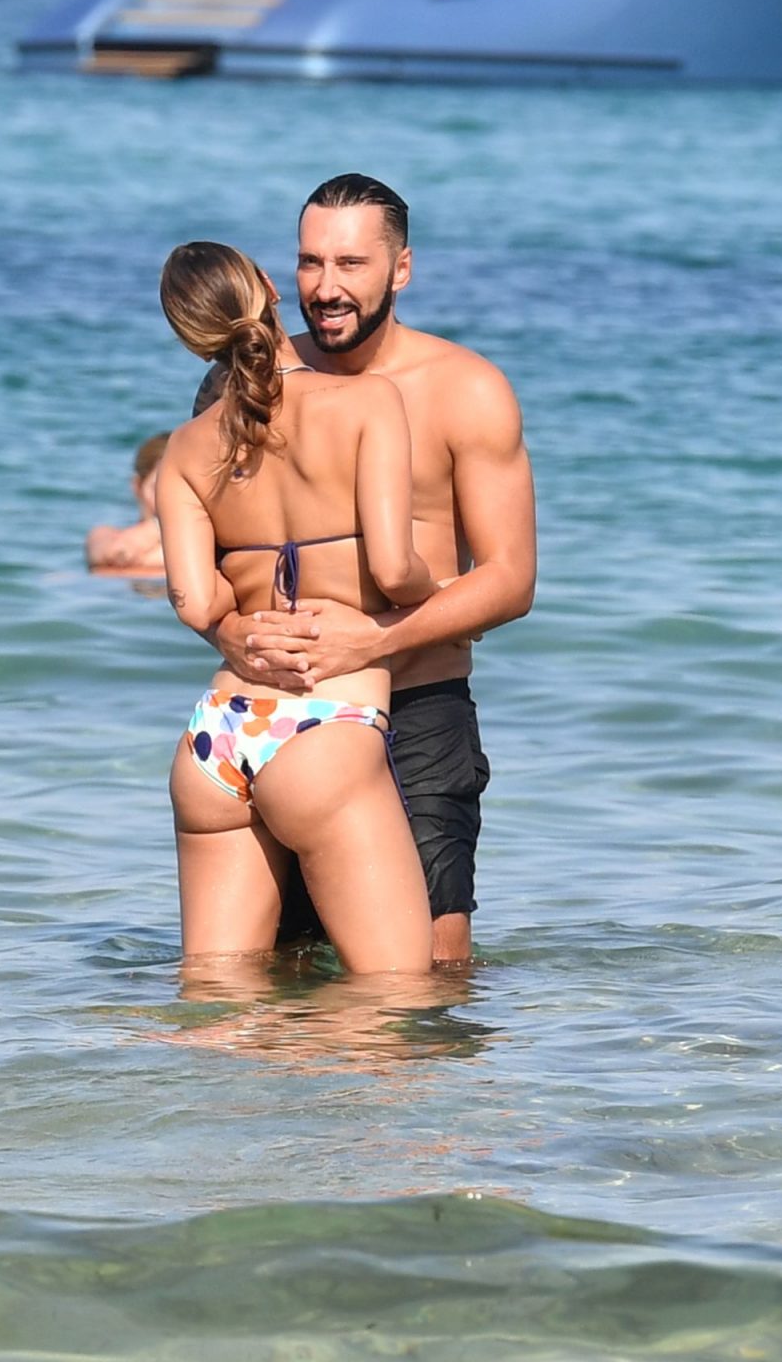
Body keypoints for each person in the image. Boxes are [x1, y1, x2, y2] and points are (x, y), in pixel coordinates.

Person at [196, 175, 537, 964]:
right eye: (310, 262)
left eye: (351, 263)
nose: (326, 287)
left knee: (432, 972)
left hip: (416, 713)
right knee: (269, 974)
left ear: (401, 268)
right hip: (275, 710)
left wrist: (374, 641)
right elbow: (207, 560)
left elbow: (511, 578)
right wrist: (229, 633)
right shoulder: (247, 383)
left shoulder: (463, 389)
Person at [156, 240, 438, 975]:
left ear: (191, 337)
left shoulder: (182, 451)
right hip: (326, 723)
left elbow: (196, 600)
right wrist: (436, 598)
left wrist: (239, 617)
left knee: (218, 1001)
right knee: (393, 999)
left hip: (219, 735)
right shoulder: (369, 401)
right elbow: (393, 566)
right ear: (270, 289)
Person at [85, 432, 170, 577]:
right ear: (137, 485)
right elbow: (120, 551)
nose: (169, 500)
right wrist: (161, 526)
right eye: (159, 488)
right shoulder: (105, 535)